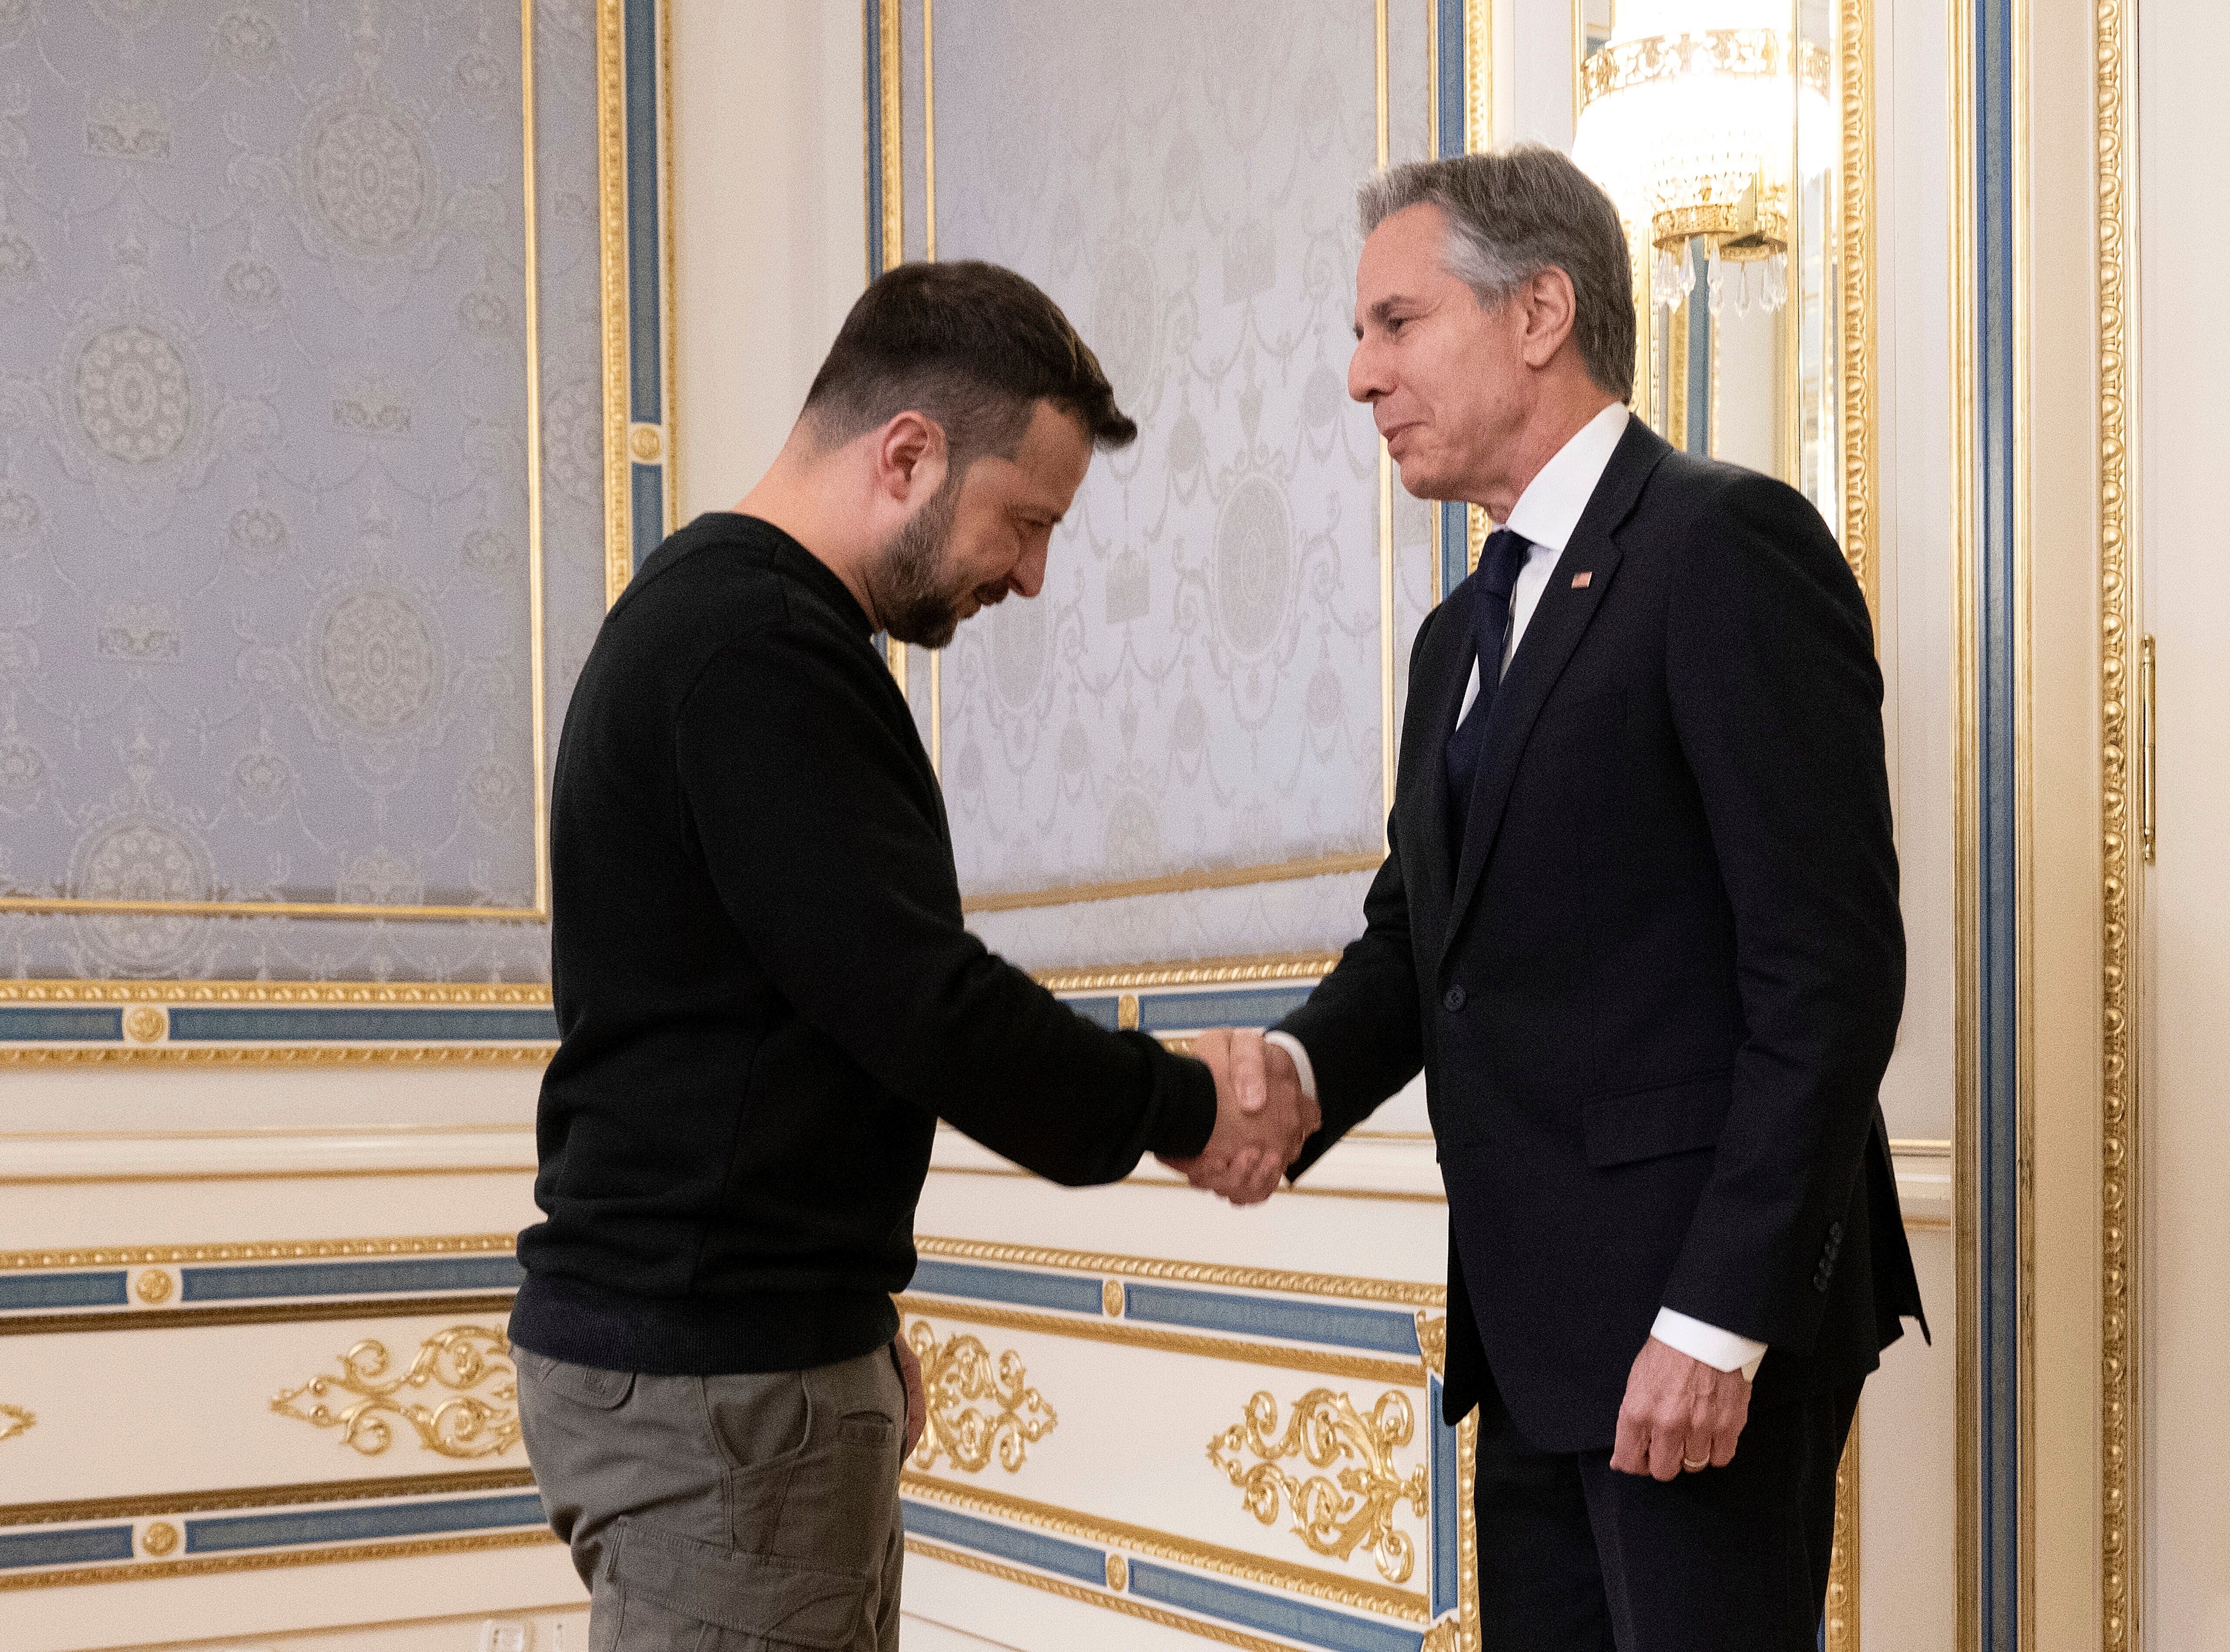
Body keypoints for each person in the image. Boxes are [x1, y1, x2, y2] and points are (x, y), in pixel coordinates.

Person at [510, 259, 1318, 1652]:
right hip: (724, 1390)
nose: (1033, 572)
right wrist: (1185, 1106)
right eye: (1025, 521)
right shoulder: (753, 649)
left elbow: (782, 1026)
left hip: (743, 1359)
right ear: (908, 454)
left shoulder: (736, 627)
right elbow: (915, 999)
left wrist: (844, 1316)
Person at [1189, 147, 1925, 1650]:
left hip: (1697, 1338)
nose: (1357, 375)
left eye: (1395, 325)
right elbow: (1423, 940)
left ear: (1539, 312)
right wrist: (1296, 1078)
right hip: (1530, 1339)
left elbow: (1827, 971)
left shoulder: (1726, 547)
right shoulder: (1459, 634)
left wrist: (1720, 1320)